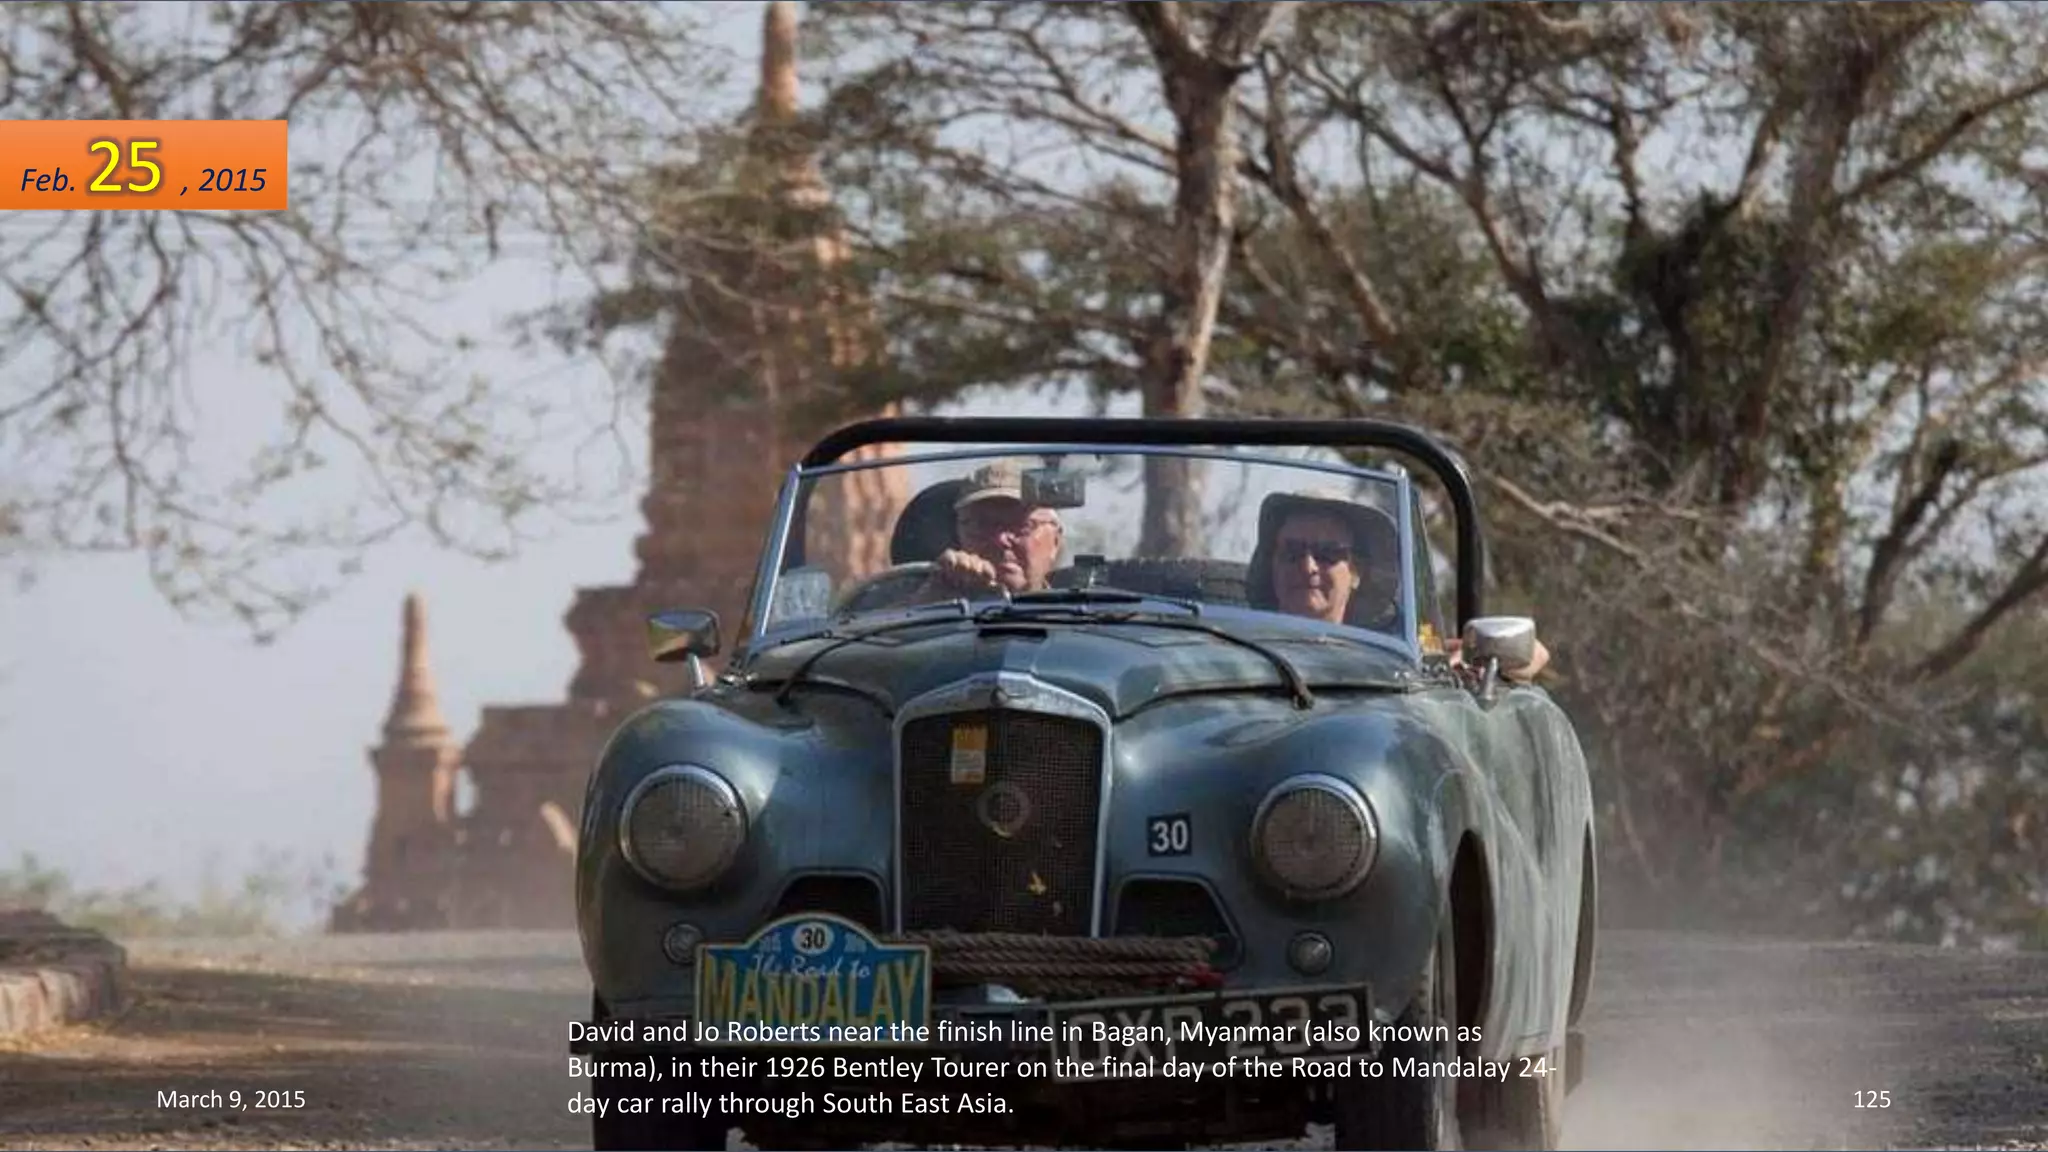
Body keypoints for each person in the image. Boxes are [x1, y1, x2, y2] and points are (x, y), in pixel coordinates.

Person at [1248, 488, 1551, 682]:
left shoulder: (1395, 647)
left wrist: (1475, 662)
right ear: (1272, 563)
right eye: (1291, 552)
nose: (1307, 566)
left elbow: (1535, 653)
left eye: (1328, 554)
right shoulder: (1228, 640)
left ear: (1356, 573)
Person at [916, 459, 1065, 599]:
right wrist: (934, 600)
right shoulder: (932, 602)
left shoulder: (1080, 614)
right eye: (980, 525)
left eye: (1022, 525)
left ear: (1055, 542)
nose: (1000, 540)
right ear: (959, 534)